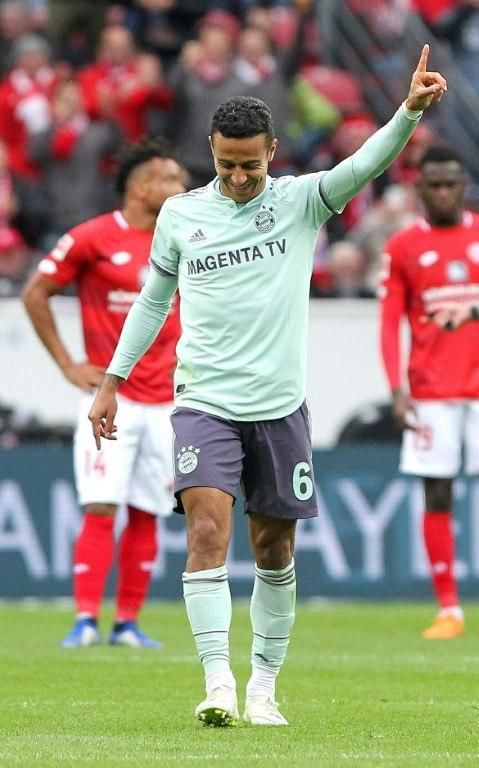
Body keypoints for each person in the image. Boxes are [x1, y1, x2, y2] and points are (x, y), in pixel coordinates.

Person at [89, 46, 446, 726]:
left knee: (274, 549)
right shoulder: (181, 216)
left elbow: (361, 165)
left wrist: (405, 112)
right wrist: (112, 381)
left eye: (251, 163)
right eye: (227, 164)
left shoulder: (300, 202)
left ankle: (262, 688)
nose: (240, 176)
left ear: (273, 151)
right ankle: (217, 683)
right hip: (203, 402)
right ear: (212, 152)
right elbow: (151, 303)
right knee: (204, 529)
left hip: (279, 406)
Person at [22, 138, 184, 648]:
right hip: (112, 399)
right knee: (100, 505)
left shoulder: (183, 238)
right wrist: (68, 363)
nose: (181, 188)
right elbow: (36, 292)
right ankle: (86, 620)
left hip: (168, 401)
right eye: (170, 180)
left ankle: (128, 624)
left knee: (148, 511)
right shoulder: (92, 237)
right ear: (140, 187)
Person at [379, 144, 479, 640]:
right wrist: (396, 388)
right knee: (436, 492)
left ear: (464, 185)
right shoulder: (402, 247)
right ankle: (449, 609)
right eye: (433, 184)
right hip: (432, 390)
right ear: (419, 188)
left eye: (451, 183)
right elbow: (387, 323)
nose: (443, 192)